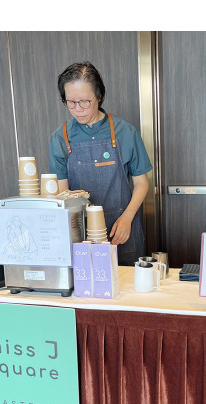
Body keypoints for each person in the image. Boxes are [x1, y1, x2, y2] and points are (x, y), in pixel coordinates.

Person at [49, 61, 152, 266]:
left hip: (122, 226)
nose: (78, 109)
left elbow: (142, 182)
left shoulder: (126, 132)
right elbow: (62, 192)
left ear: (99, 96)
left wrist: (127, 218)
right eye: (71, 102)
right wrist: (75, 231)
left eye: (85, 101)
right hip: (82, 233)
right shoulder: (60, 137)